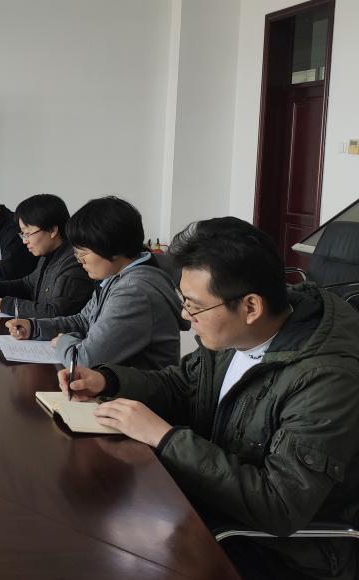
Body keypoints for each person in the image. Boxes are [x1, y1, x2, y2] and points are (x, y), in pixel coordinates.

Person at [61, 217, 359, 580]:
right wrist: (108, 379)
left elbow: (279, 505)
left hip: (278, 551)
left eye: (194, 305)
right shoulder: (235, 336)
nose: (185, 316)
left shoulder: (326, 379)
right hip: (209, 507)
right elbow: (182, 386)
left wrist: (165, 438)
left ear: (251, 307)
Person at [6, 196, 187, 369]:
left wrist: (63, 341)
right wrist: (35, 327)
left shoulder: (135, 292)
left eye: (83, 253)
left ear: (113, 248)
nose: (80, 261)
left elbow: (85, 359)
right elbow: (83, 321)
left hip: (132, 390)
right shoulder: (115, 276)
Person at [0, 194, 93, 318]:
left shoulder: (74, 262)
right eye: (22, 234)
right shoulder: (48, 255)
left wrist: (7, 305)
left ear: (52, 230)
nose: (24, 241)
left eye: (28, 233)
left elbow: (55, 312)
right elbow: (27, 284)